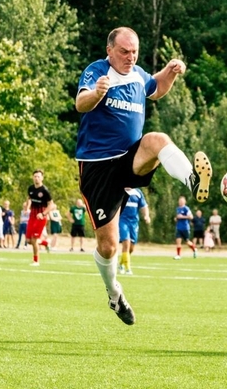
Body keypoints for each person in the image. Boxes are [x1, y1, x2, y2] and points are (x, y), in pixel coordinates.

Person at [75, 27, 212, 325]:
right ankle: (114, 294)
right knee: (108, 245)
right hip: (98, 166)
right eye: (124, 51)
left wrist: (171, 71)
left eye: (134, 51)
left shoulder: (137, 74)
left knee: (156, 140)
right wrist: (98, 93)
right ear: (109, 49)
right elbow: (80, 103)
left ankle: (192, 179)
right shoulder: (96, 71)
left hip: (128, 158)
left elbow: (157, 89)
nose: (130, 56)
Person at [26, 169, 55, 266]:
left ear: (42, 178)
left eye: (38, 176)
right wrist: (27, 206)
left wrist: (43, 214)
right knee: (28, 241)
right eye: (35, 176)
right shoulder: (30, 188)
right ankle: (46, 243)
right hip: (32, 215)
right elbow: (29, 198)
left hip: (41, 217)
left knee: (34, 239)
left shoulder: (45, 190)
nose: (36, 178)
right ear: (32, 177)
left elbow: (51, 205)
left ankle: (36, 261)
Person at [118, 188, 150, 274]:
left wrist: (146, 216)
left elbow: (144, 206)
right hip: (122, 220)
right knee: (126, 243)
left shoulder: (138, 192)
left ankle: (121, 264)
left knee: (131, 248)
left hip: (134, 223)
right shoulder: (120, 191)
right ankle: (128, 269)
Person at [174, 195, 196, 260]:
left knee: (187, 242)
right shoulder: (178, 208)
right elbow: (178, 217)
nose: (180, 202)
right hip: (178, 227)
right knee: (178, 241)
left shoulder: (186, 208)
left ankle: (194, 249)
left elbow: (191, 217)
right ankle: (178, 255)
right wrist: (176, 218)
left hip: (185, 227)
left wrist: (183, 217)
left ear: (184, 202)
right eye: (179, 201)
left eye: (181, 201)